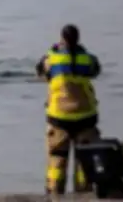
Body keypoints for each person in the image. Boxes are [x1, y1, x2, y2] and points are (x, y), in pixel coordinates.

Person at [35, 24, 102, 195]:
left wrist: (55, 50)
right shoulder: (87, 59)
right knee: (84, 162)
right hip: (86, 117)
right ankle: (84, 195)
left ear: (62, 38)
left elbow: (40, 71)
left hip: (59, 117)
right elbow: (95, 70)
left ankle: (55, 195)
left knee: (57, 161)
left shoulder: (52, 59)